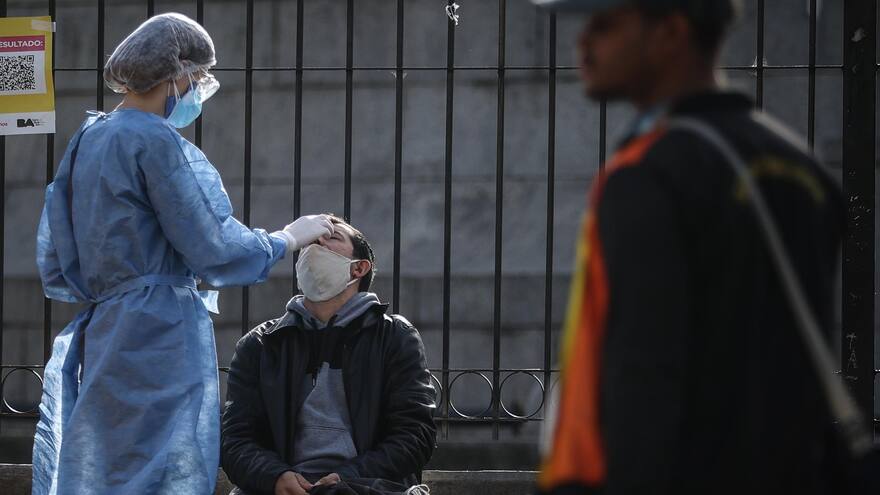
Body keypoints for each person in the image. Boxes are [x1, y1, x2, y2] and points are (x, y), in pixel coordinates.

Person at [532, 1, 847, 494]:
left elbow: (644, 379)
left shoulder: (648, 173)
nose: (583, 43)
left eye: (604, 24)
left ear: (671, 32)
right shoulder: (802, 170)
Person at [32, 13, 334, 495]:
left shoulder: (91, 137)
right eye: (196, 78)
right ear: (174, 75)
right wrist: (285, 239)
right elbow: (212, 245)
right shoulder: (153, 140)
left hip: (106, 327)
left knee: (108, 466)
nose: (197, 89)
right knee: (157, 467)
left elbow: (57, 248)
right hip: (157, 333)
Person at [221, 216, 436, 495]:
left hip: (364, 486)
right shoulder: (261, 344)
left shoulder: (394, 337)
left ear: (359, 268)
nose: (317, 242)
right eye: (310, 239)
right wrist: (275, 477)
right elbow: (235, 440)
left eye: (332, 237)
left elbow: (415, 434)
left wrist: (347, 477)